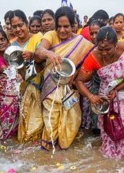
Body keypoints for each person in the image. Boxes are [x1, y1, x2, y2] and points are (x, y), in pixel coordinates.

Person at [75, 27, 124, 159]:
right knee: (107, 129)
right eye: (101, 49)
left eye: (108, 49)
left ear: (116, 45)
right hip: (105, 98)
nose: (104, 53)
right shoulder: (93, 56)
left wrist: (118, 88)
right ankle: (108, 159)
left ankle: (122, 161)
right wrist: (91, 96)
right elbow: (79, 81)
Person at [35, 6, 94, 150]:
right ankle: (47, 153)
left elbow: (90, 63)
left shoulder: (82, 42)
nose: (62, 30)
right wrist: (49, 54)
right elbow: (38, 52)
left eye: (66, 26)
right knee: (51, 120)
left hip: (70, 89)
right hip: (51, 87)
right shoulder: (50, 35)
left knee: (70, 121)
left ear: (73, 25)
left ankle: (63, 155)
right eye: (59, 26)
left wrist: (76, 76)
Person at [8, 10, 44, 143]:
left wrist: (33, 55)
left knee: (37, 119)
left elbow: (44, 60)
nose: (18, 29)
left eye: (20, 25)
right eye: (14, 26)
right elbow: (11, 68)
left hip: (39, 84)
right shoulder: (12, 45)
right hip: (22, 87)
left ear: (27, 23)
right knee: (25, 118)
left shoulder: (38, 38)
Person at [0, 29, 21, 140]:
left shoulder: (11, 53)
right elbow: (6, 70)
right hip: (4, 95)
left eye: (2, 39)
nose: (0, 42)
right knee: (6, 124)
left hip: (15, 92)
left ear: (7, 41)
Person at [80, 19, 106, 133]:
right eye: (92, 33)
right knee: (95, 123)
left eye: (97, 32)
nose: (94, 36)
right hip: (95, 89)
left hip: (113, 89)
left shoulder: (112, 48)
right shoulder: (88, 50)